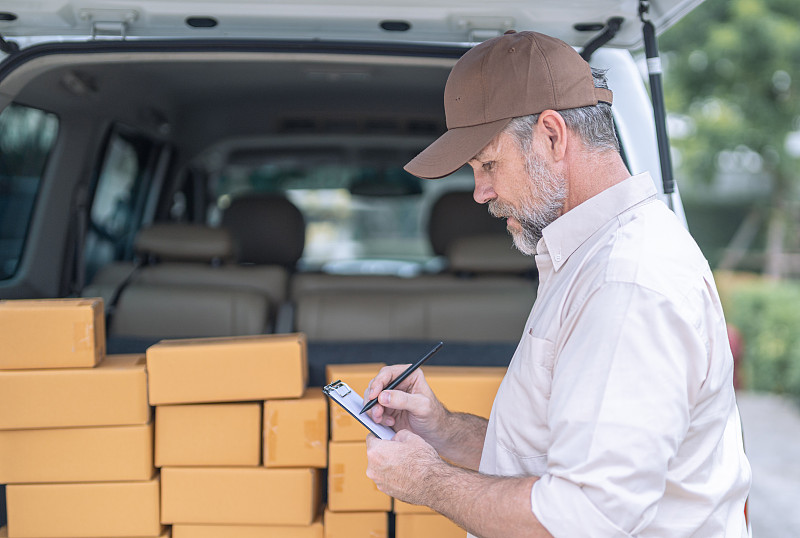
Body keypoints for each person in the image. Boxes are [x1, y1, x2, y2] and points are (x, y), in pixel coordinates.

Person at [364, 30, 751, 537]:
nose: (479, 193)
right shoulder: (586, 260)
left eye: (488, 164)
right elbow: (560, 456)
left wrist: (427, 480)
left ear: (551, 135)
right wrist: (442, 430)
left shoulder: (627, 282)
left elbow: (584, 517)